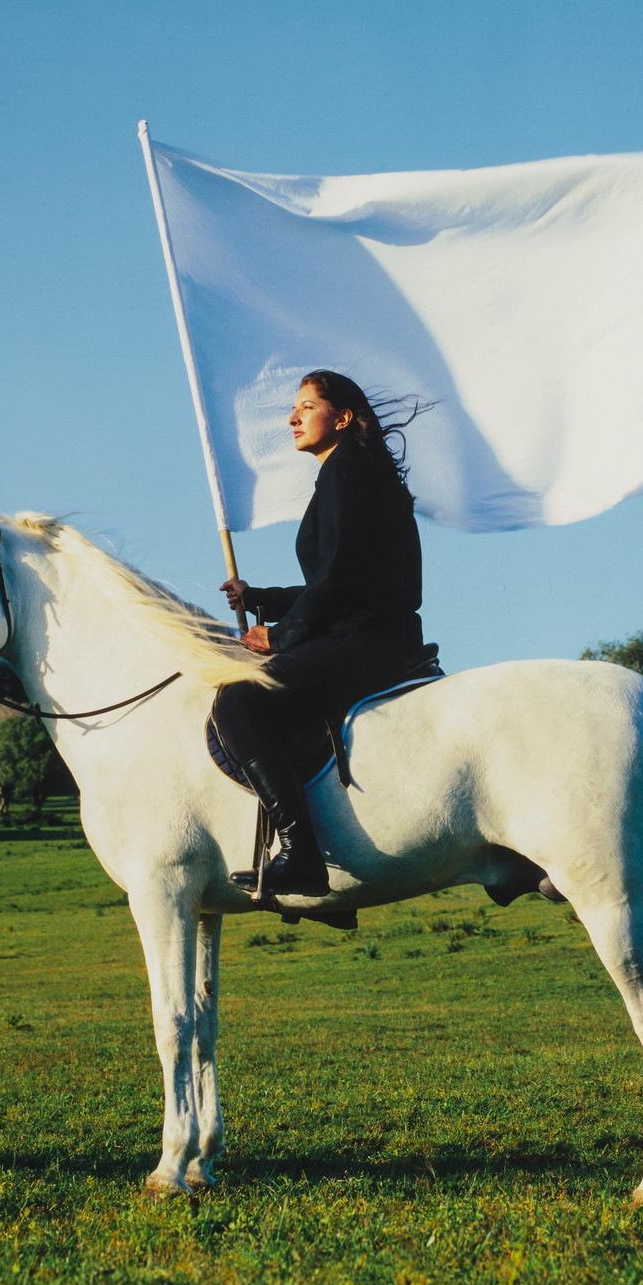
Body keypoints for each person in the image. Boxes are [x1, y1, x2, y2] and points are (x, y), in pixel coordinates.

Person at [215, 371, 426, 897]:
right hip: (370, 629)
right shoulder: (352, 472)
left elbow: (335, 582)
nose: (293, 418)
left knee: (238, 703)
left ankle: (300, 854)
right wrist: (259, 597)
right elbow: (336, 577)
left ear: (344, 417)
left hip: (366, 640)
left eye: (306, 407)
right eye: (296, 409)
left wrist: (280, 637)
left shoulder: (345, 474)